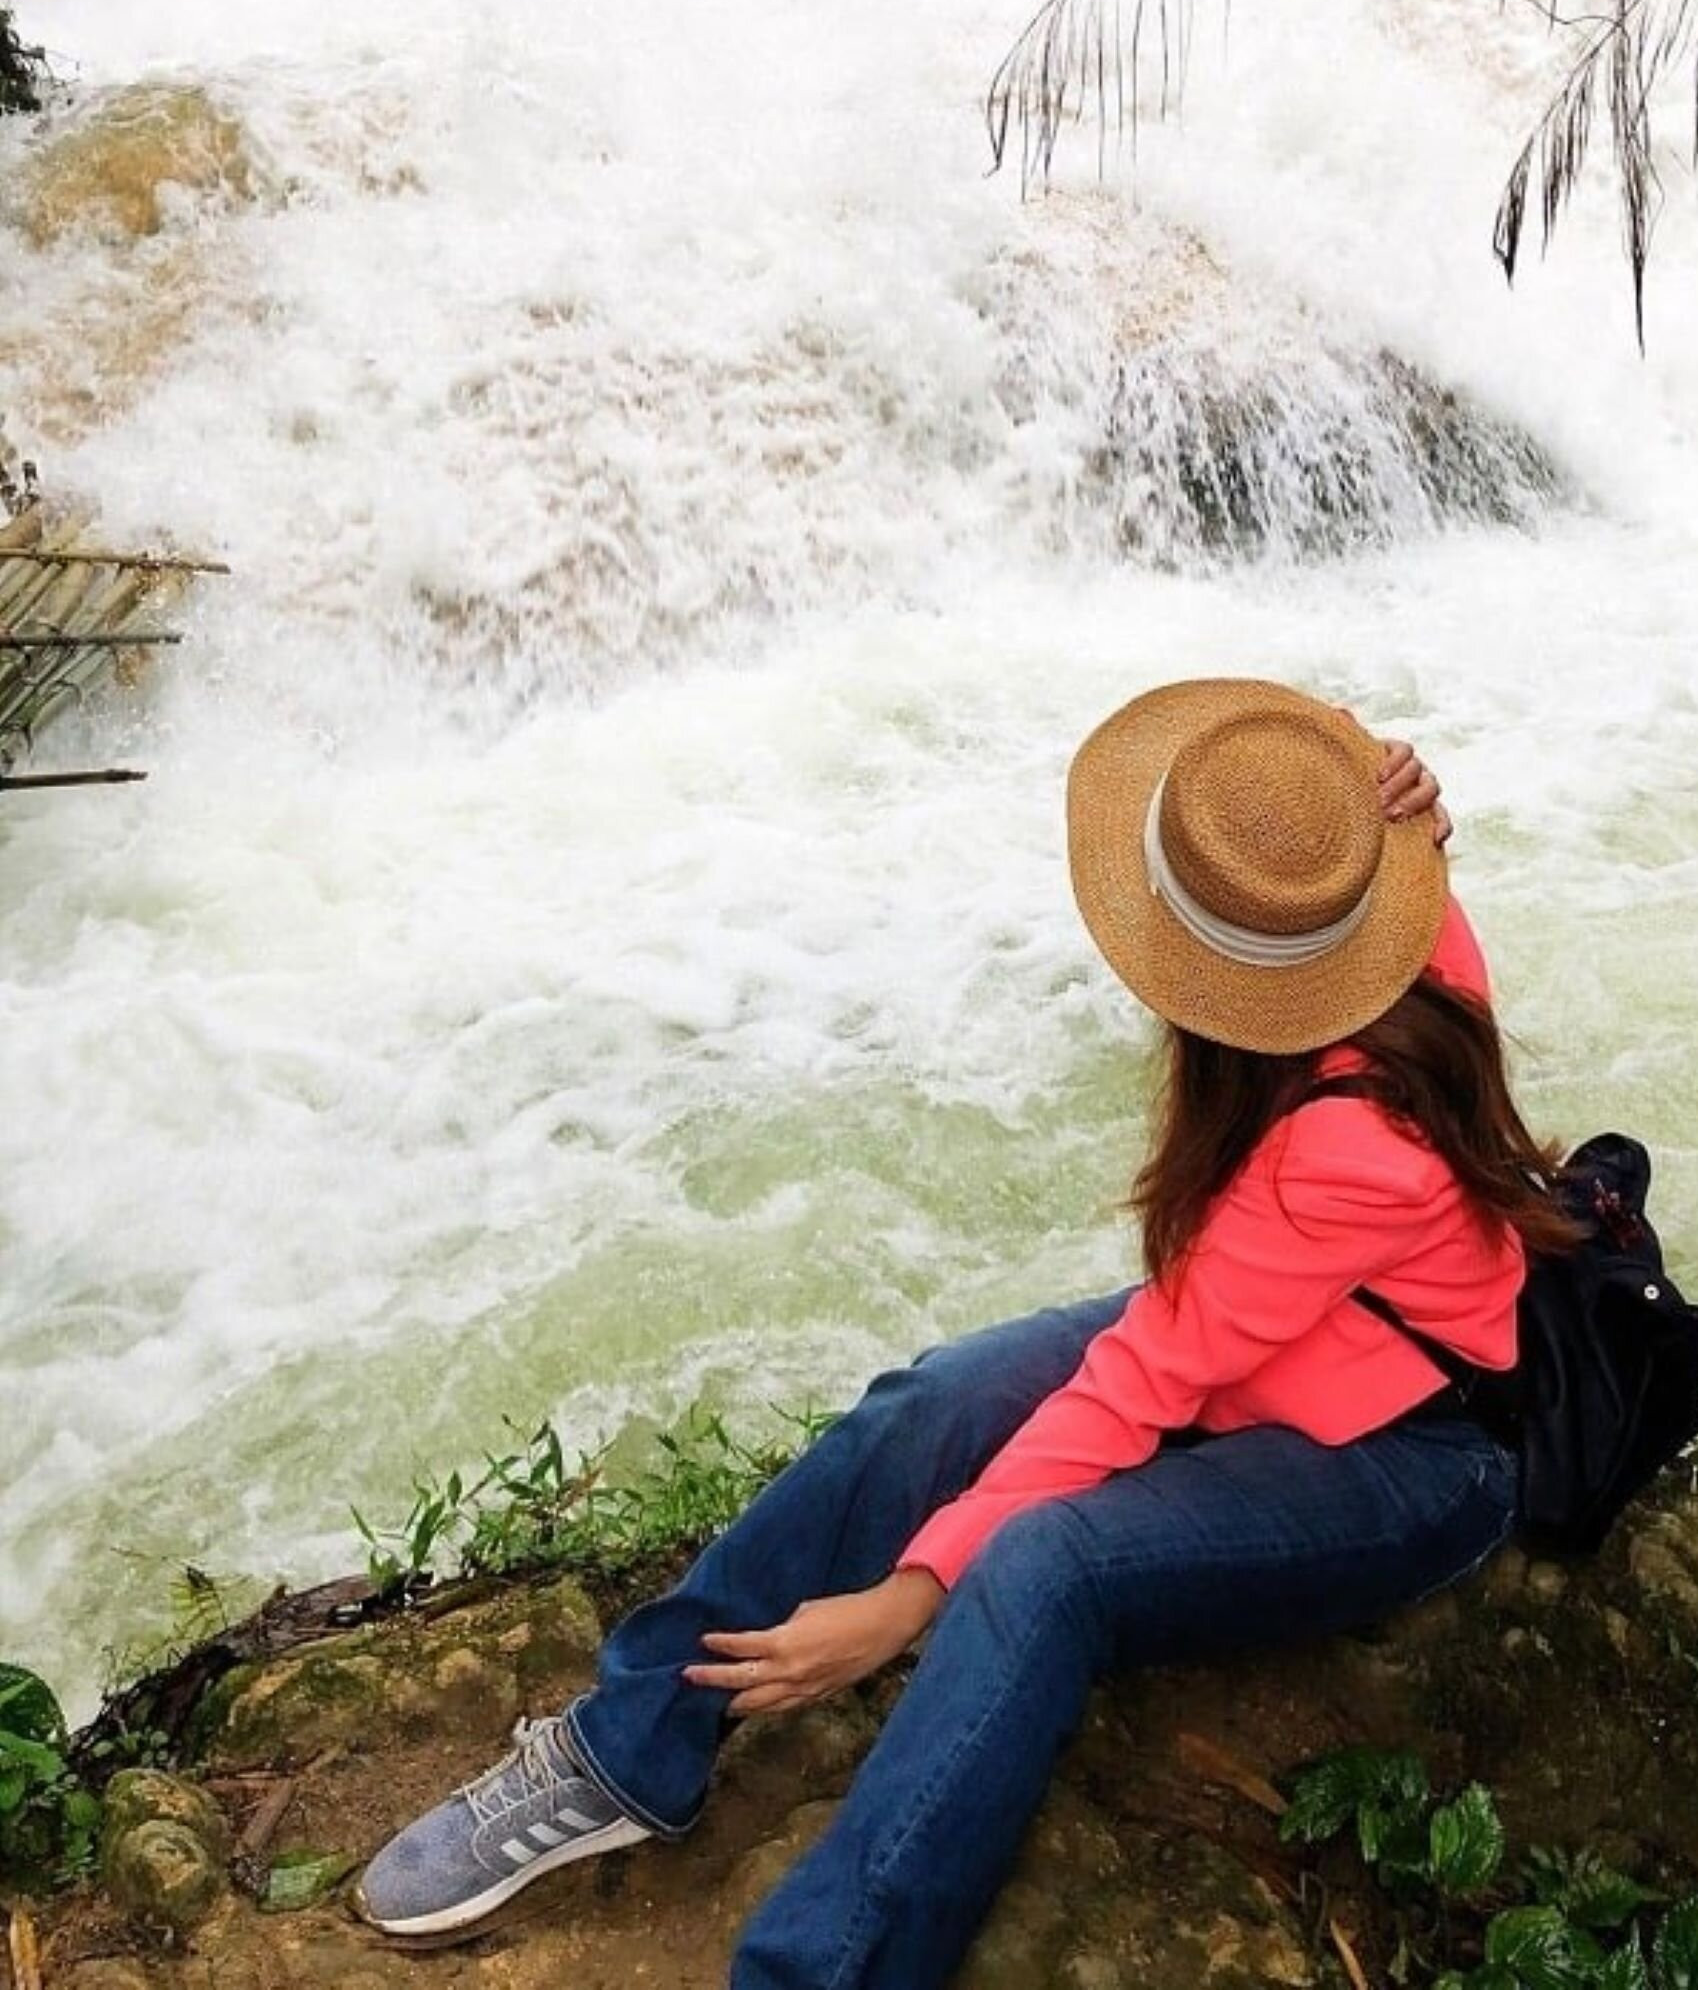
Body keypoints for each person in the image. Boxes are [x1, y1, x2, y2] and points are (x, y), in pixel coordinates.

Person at [357, 678, 1575, 1987]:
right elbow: (1178, 1341)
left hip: (1408, 1455)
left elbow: (1142, 1380)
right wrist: (1395, 819)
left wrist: (907, 1600)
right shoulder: (1383, 932)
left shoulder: (1346, 1144)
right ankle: (631, 1745)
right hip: (1282, 1336)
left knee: (1044, 1567)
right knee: (935, 1403)